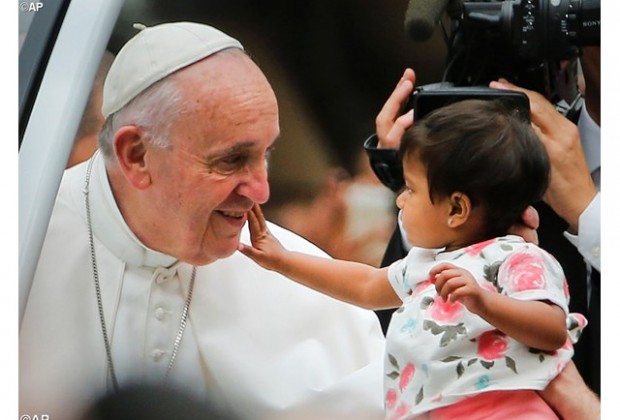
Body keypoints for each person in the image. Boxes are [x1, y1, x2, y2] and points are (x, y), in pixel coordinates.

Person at [19, 22, 386, 420]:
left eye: (266, 155)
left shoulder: (318, 293)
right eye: (232, 160)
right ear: (136, 155)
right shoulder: (22, 236)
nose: (261, 191)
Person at [239, 98, 586, 419]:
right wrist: (283, 259)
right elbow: (363, 284)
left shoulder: (518, 256)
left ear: (456, 208)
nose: (401, 201)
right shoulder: (425, 263)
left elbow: (552, 329)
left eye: (410, 189)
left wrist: (485, 302)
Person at [373, 68, 601, 418]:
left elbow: (551, 329)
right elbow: (395, 319)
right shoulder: (508, 166)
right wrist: (421, 183)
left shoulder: (526, 248)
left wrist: (592, 217)